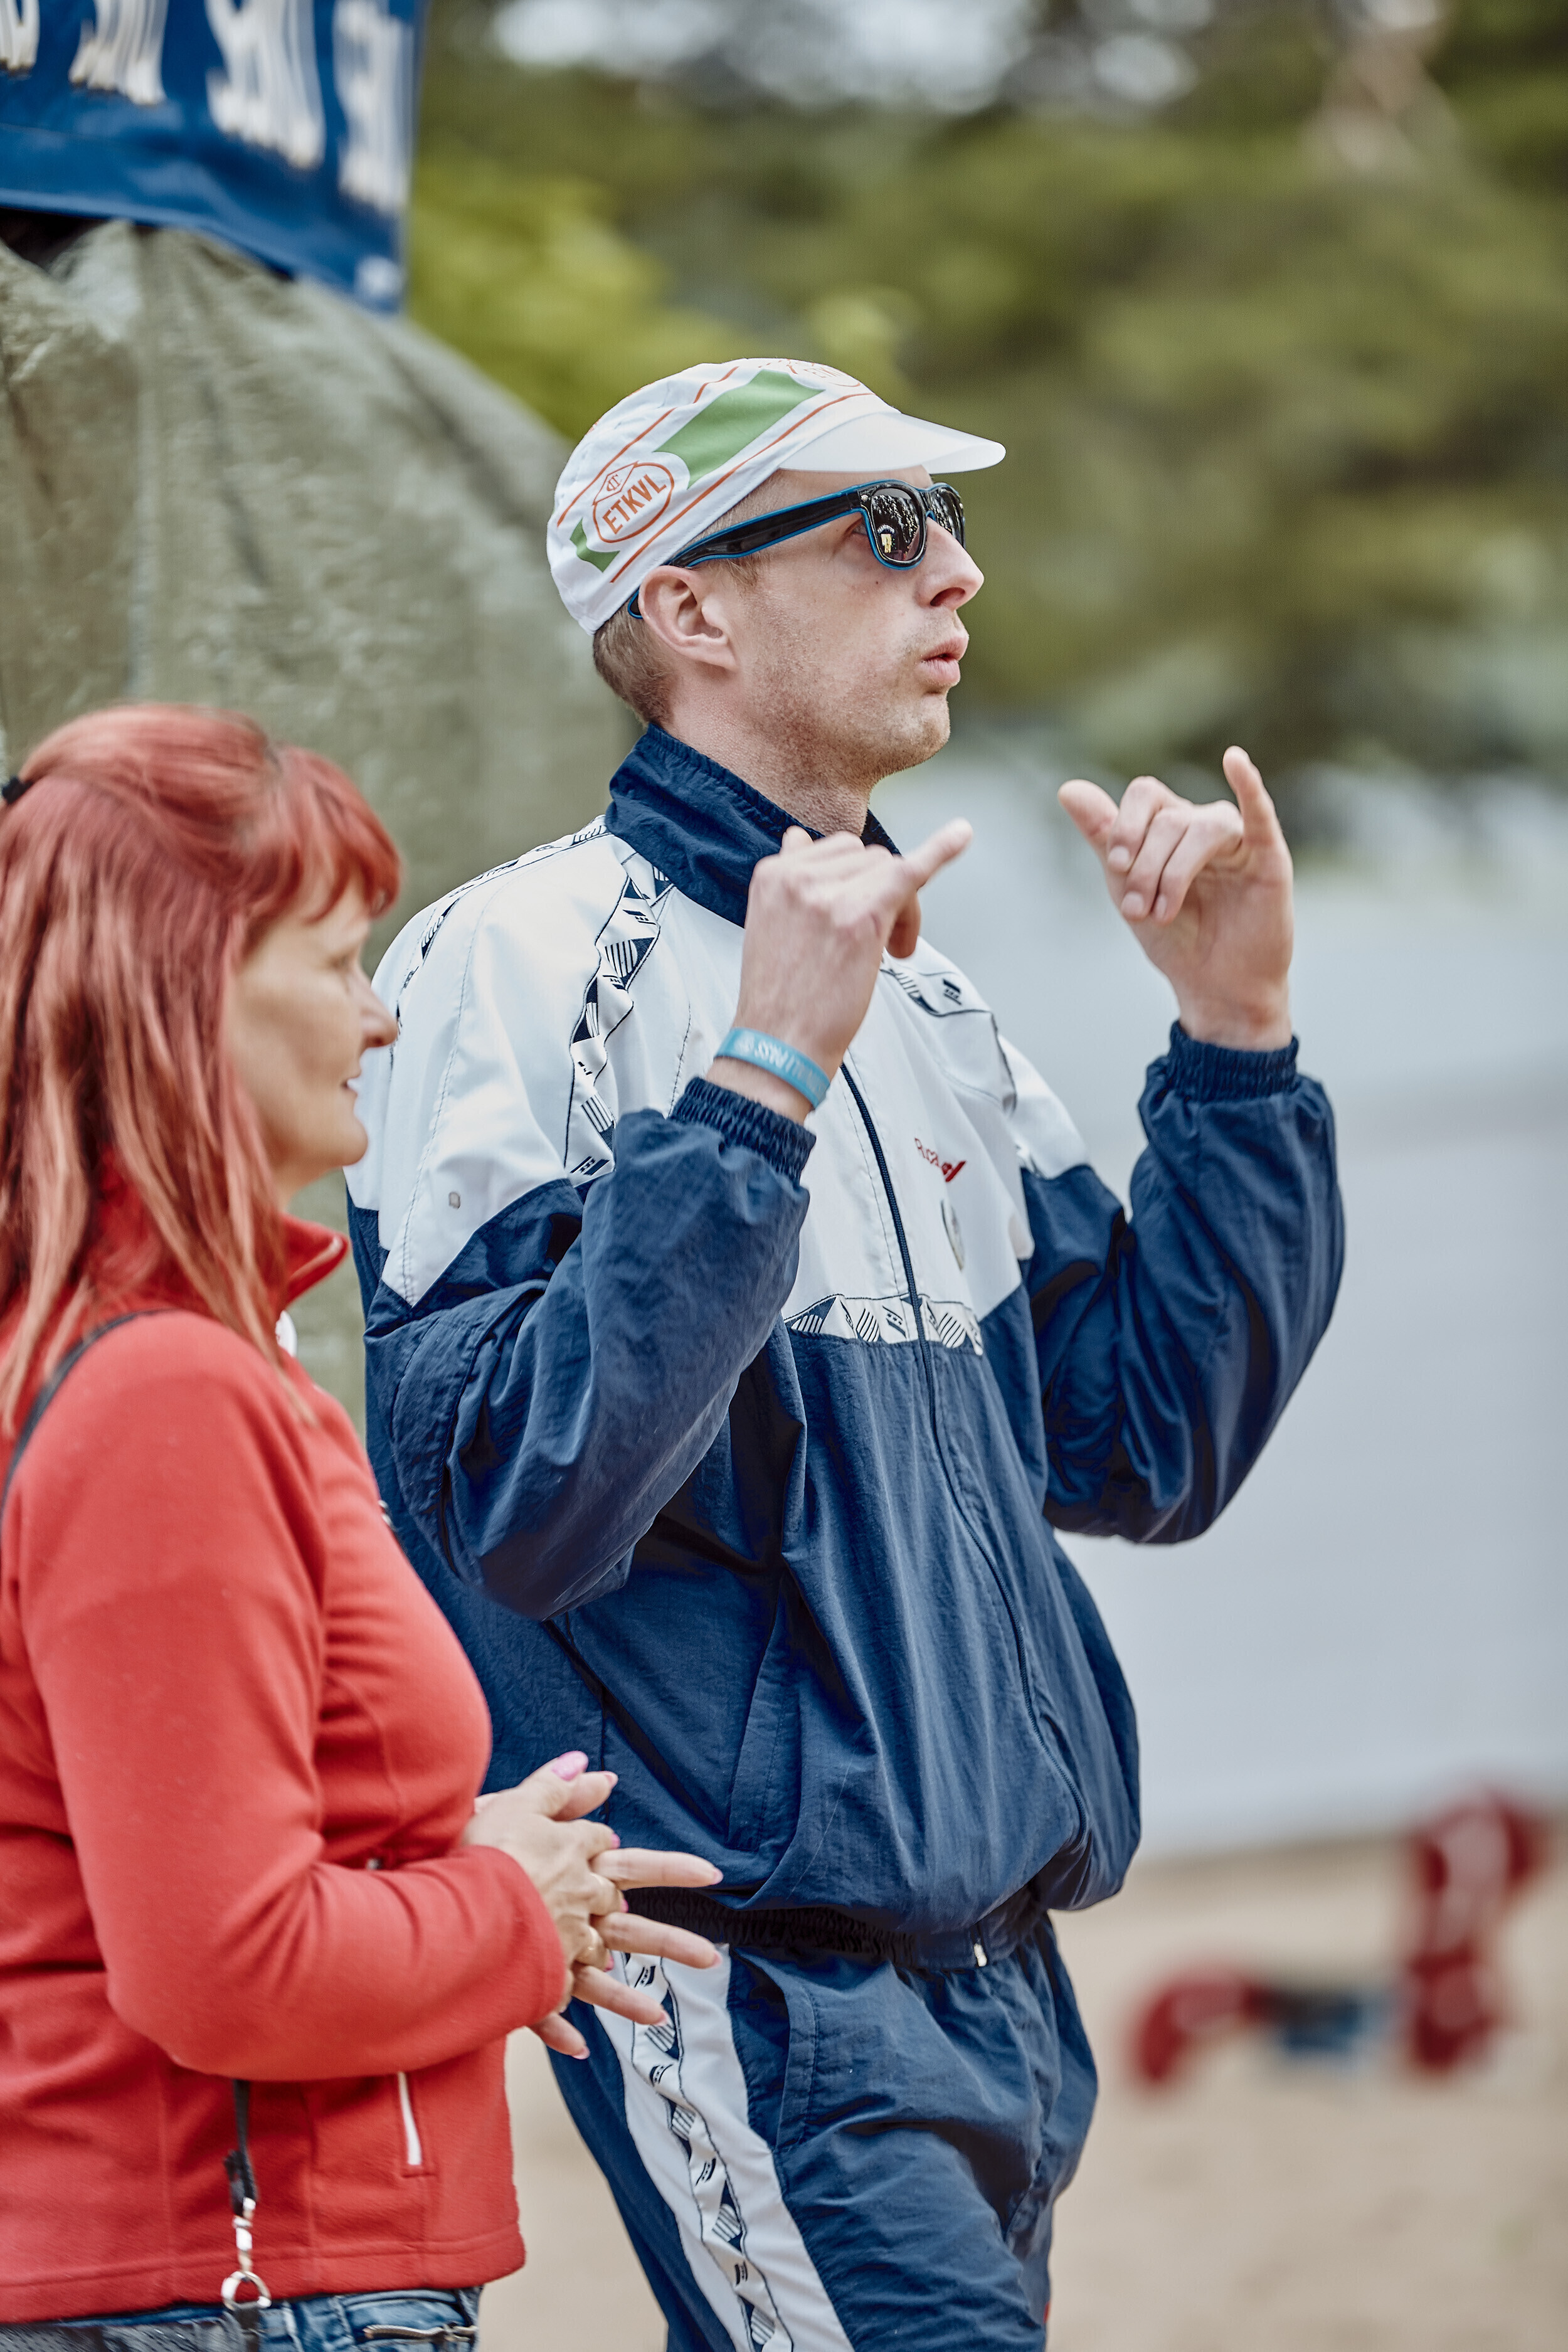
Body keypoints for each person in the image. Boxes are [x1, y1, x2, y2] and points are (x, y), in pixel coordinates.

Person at [349, 359, 1345, 2351]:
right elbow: (518, 1502)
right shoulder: (508, 958)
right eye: (887, 528)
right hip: (756, 1984)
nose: (955, 572)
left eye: (949, 525)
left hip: (1001, 1979)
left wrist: (1234, 1041)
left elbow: (1141, 1444)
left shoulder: (930, 992)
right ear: (690, 609)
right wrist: (761, 1081)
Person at [0, 705, 728, 2349]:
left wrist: (450, 1864)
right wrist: (512, 1913)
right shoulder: (160, 1395)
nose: (381, 1015)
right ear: (188, 989)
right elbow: (223, 1967)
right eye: (336, 963)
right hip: (233, 2293)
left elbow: (159, 1855)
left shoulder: (139, 1363)